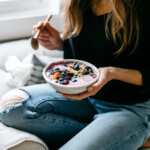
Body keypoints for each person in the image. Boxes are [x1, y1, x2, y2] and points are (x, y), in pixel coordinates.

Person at [0, 0, 150, 149]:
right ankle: (123, 137)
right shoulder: (77, 3)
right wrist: (59, 43)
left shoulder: (141, 7)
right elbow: (94, 53)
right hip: (86, 96)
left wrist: (113, 73)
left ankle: (132, 132)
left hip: (129, 107)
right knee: (12, 109)